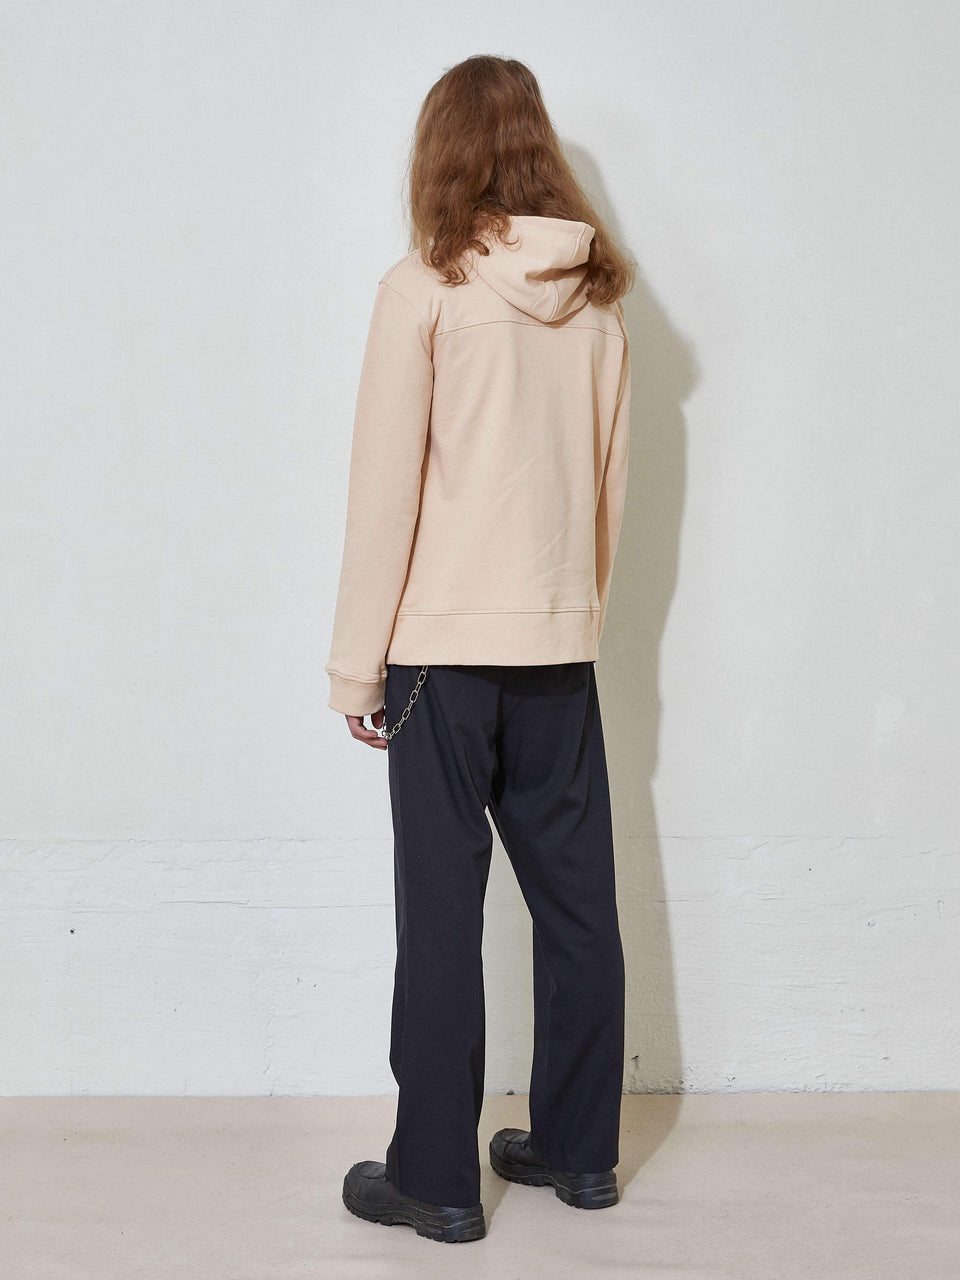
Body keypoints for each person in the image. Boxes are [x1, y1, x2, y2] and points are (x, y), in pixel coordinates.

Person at [326, 54, 634, 1244]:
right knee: (579, 905)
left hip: (441, 660)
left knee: (444, 912)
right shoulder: (600, 302)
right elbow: (609, 488)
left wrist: (357, 665)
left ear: (441, 152)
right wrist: (572, 617)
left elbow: (384, 495)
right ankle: (580, 1150)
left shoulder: (425, 289)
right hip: (557, 644)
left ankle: (438, 1180)